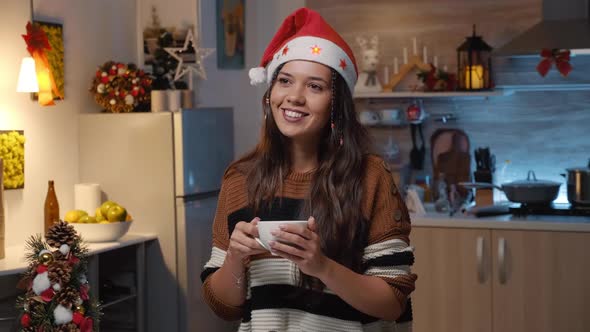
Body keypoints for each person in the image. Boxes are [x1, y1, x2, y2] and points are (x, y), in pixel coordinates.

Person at [201, 8, 417, 332]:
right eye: (285, 81)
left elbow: (392, 301)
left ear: (336, 103)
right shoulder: (240, 180)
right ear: (270, 92)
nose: (294, 97)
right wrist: (234, 257)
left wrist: (321, 267)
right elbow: (224, 306)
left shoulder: (370, 177)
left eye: (315, 87)